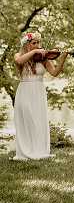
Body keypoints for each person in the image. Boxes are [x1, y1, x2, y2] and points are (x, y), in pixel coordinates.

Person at [13, 32, 68, 160]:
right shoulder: (19, 55)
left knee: (38, 121)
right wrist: (34, 52)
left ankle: (39, 150)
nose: (38, 45)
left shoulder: (43, 58)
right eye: (34, 43)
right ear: (27, 45)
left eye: (39, 43)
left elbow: (54, 72)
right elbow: (19, 61)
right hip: (25, 91)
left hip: (38, 92)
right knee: (27, 120)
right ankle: (26, 151)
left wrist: (63, 58)